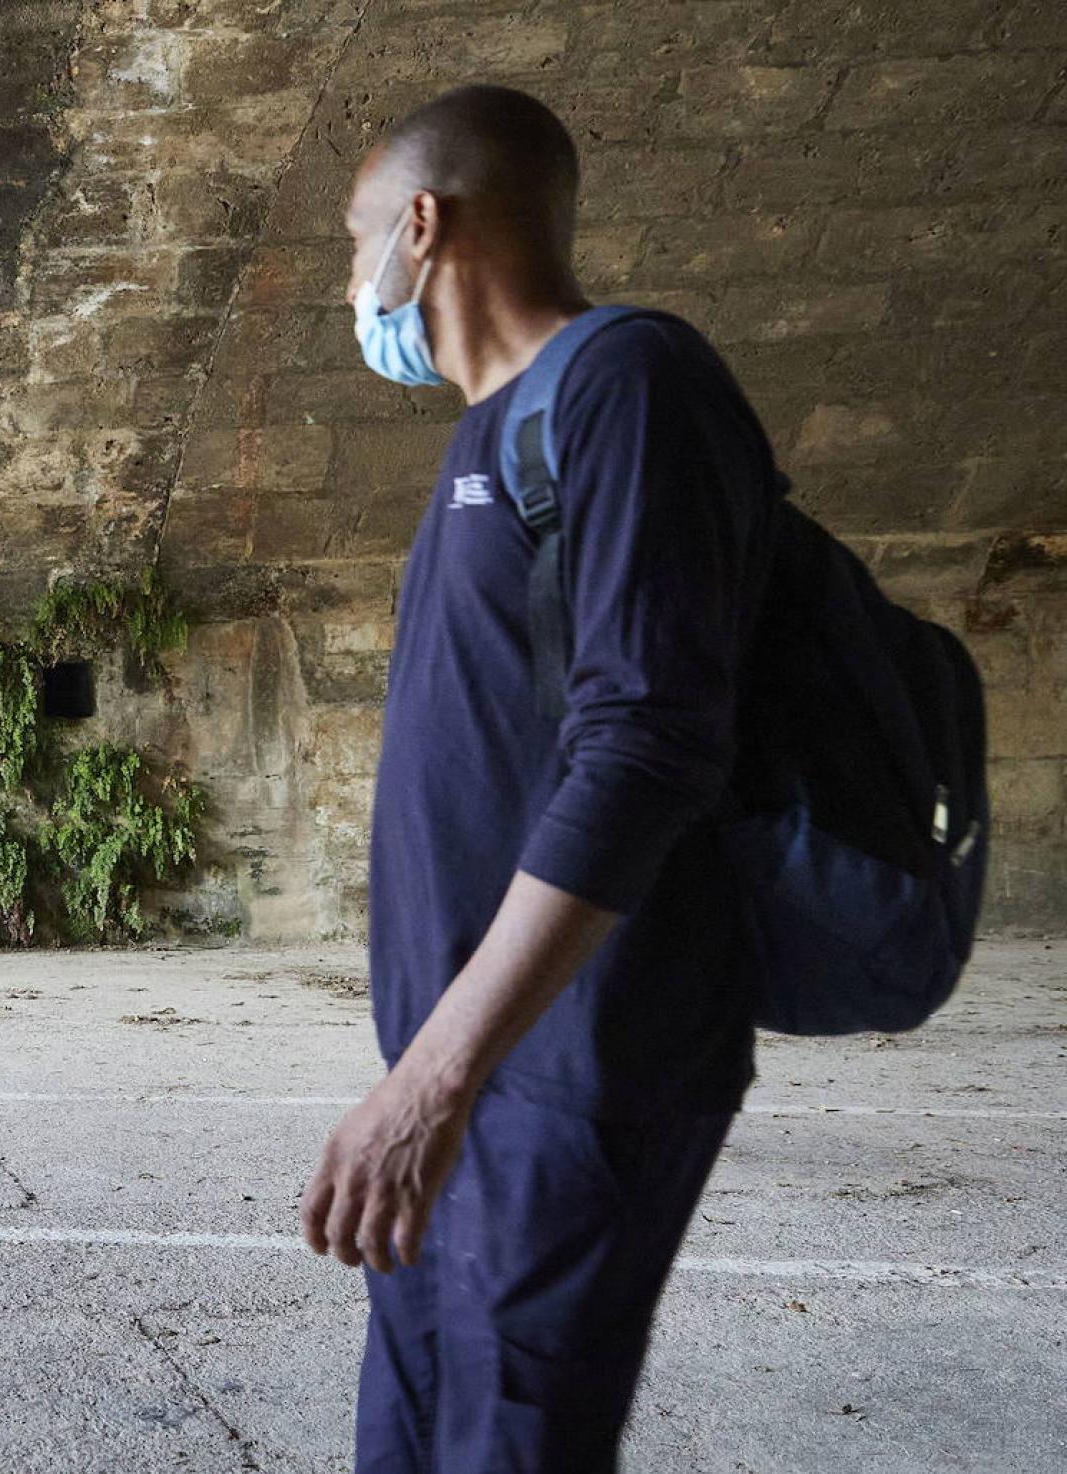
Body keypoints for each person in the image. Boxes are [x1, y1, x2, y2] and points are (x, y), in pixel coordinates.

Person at [299, 84, 784, 1471]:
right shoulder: (483, 436)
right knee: (413, 1437)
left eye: (356, 238)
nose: (356, 278)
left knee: (506, 1446)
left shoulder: (630, 384)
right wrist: (426, 1074)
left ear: (425, 224)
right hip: (466, 1081)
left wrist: (435, 1078)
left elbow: (647, 744)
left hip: (563, 1072)